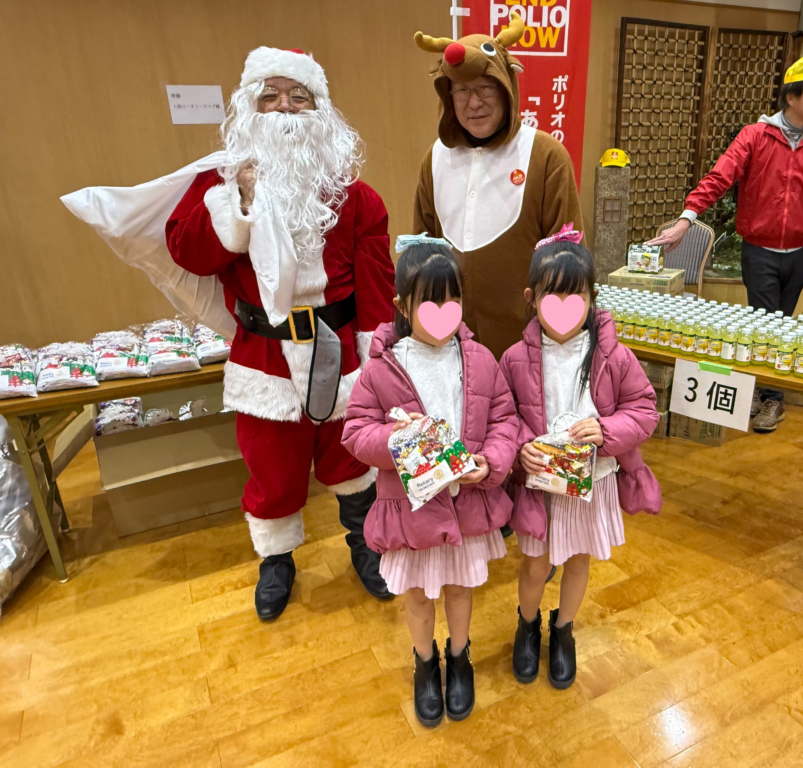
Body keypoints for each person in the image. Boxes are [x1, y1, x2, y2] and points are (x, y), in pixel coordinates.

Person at [165, 48, 397, 618]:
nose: (285, 108)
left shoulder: (355, 196)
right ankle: (277, 560)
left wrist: (378, 358)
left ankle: (365, 544)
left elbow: (376, 283)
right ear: (249, 107)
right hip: (263, 356)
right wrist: (240, 201)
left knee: (352, 458)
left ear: (322, 112)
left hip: (340, 353)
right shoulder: (218, 185)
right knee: (271, 468)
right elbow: (188, 251)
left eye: (299, 97)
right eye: (270, 96)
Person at [341, 239, 519, 727]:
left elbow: (505, 420)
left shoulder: (480, 359)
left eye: (452, 299)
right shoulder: (383, 367)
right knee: (418, 595)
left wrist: (491, 461)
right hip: (411, 513)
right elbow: (355, 432)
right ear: (403, 306)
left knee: (461, 589)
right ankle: (426, 663)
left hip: (466, 507)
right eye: (429, 302)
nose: (443, 312)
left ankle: (459, 657)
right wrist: (397, 441)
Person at [649, 54, 803, 434]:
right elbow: (719, 177)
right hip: (759, 250)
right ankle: (767, 394)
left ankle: (766, 392)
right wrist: (686, 220)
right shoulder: (755, 136)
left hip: (802, 252)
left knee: (781, 323)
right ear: (792, 96)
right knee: (765, 321)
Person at [500, 235, 662, 689]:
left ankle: (563, 628)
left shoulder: (613, 355)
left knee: (577, 560)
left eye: (577, 296)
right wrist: (520, 447)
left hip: (593, 482)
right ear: (532, 298)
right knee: (535, 564)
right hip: (540, 485)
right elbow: (501, 415)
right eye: (553, 296)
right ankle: (527, 624)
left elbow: (644, 409)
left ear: (592, 297)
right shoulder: (514, 359)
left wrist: (607, 431)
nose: (565, 309)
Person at [411, 11, 584, 359]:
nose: (474, 103)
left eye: (486, 88)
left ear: (507, 88)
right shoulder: (436, 157)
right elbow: (422, 248)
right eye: (462, 91)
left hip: (527, 353)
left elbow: (569, 259)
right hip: (451, 351)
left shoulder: (546, 155)